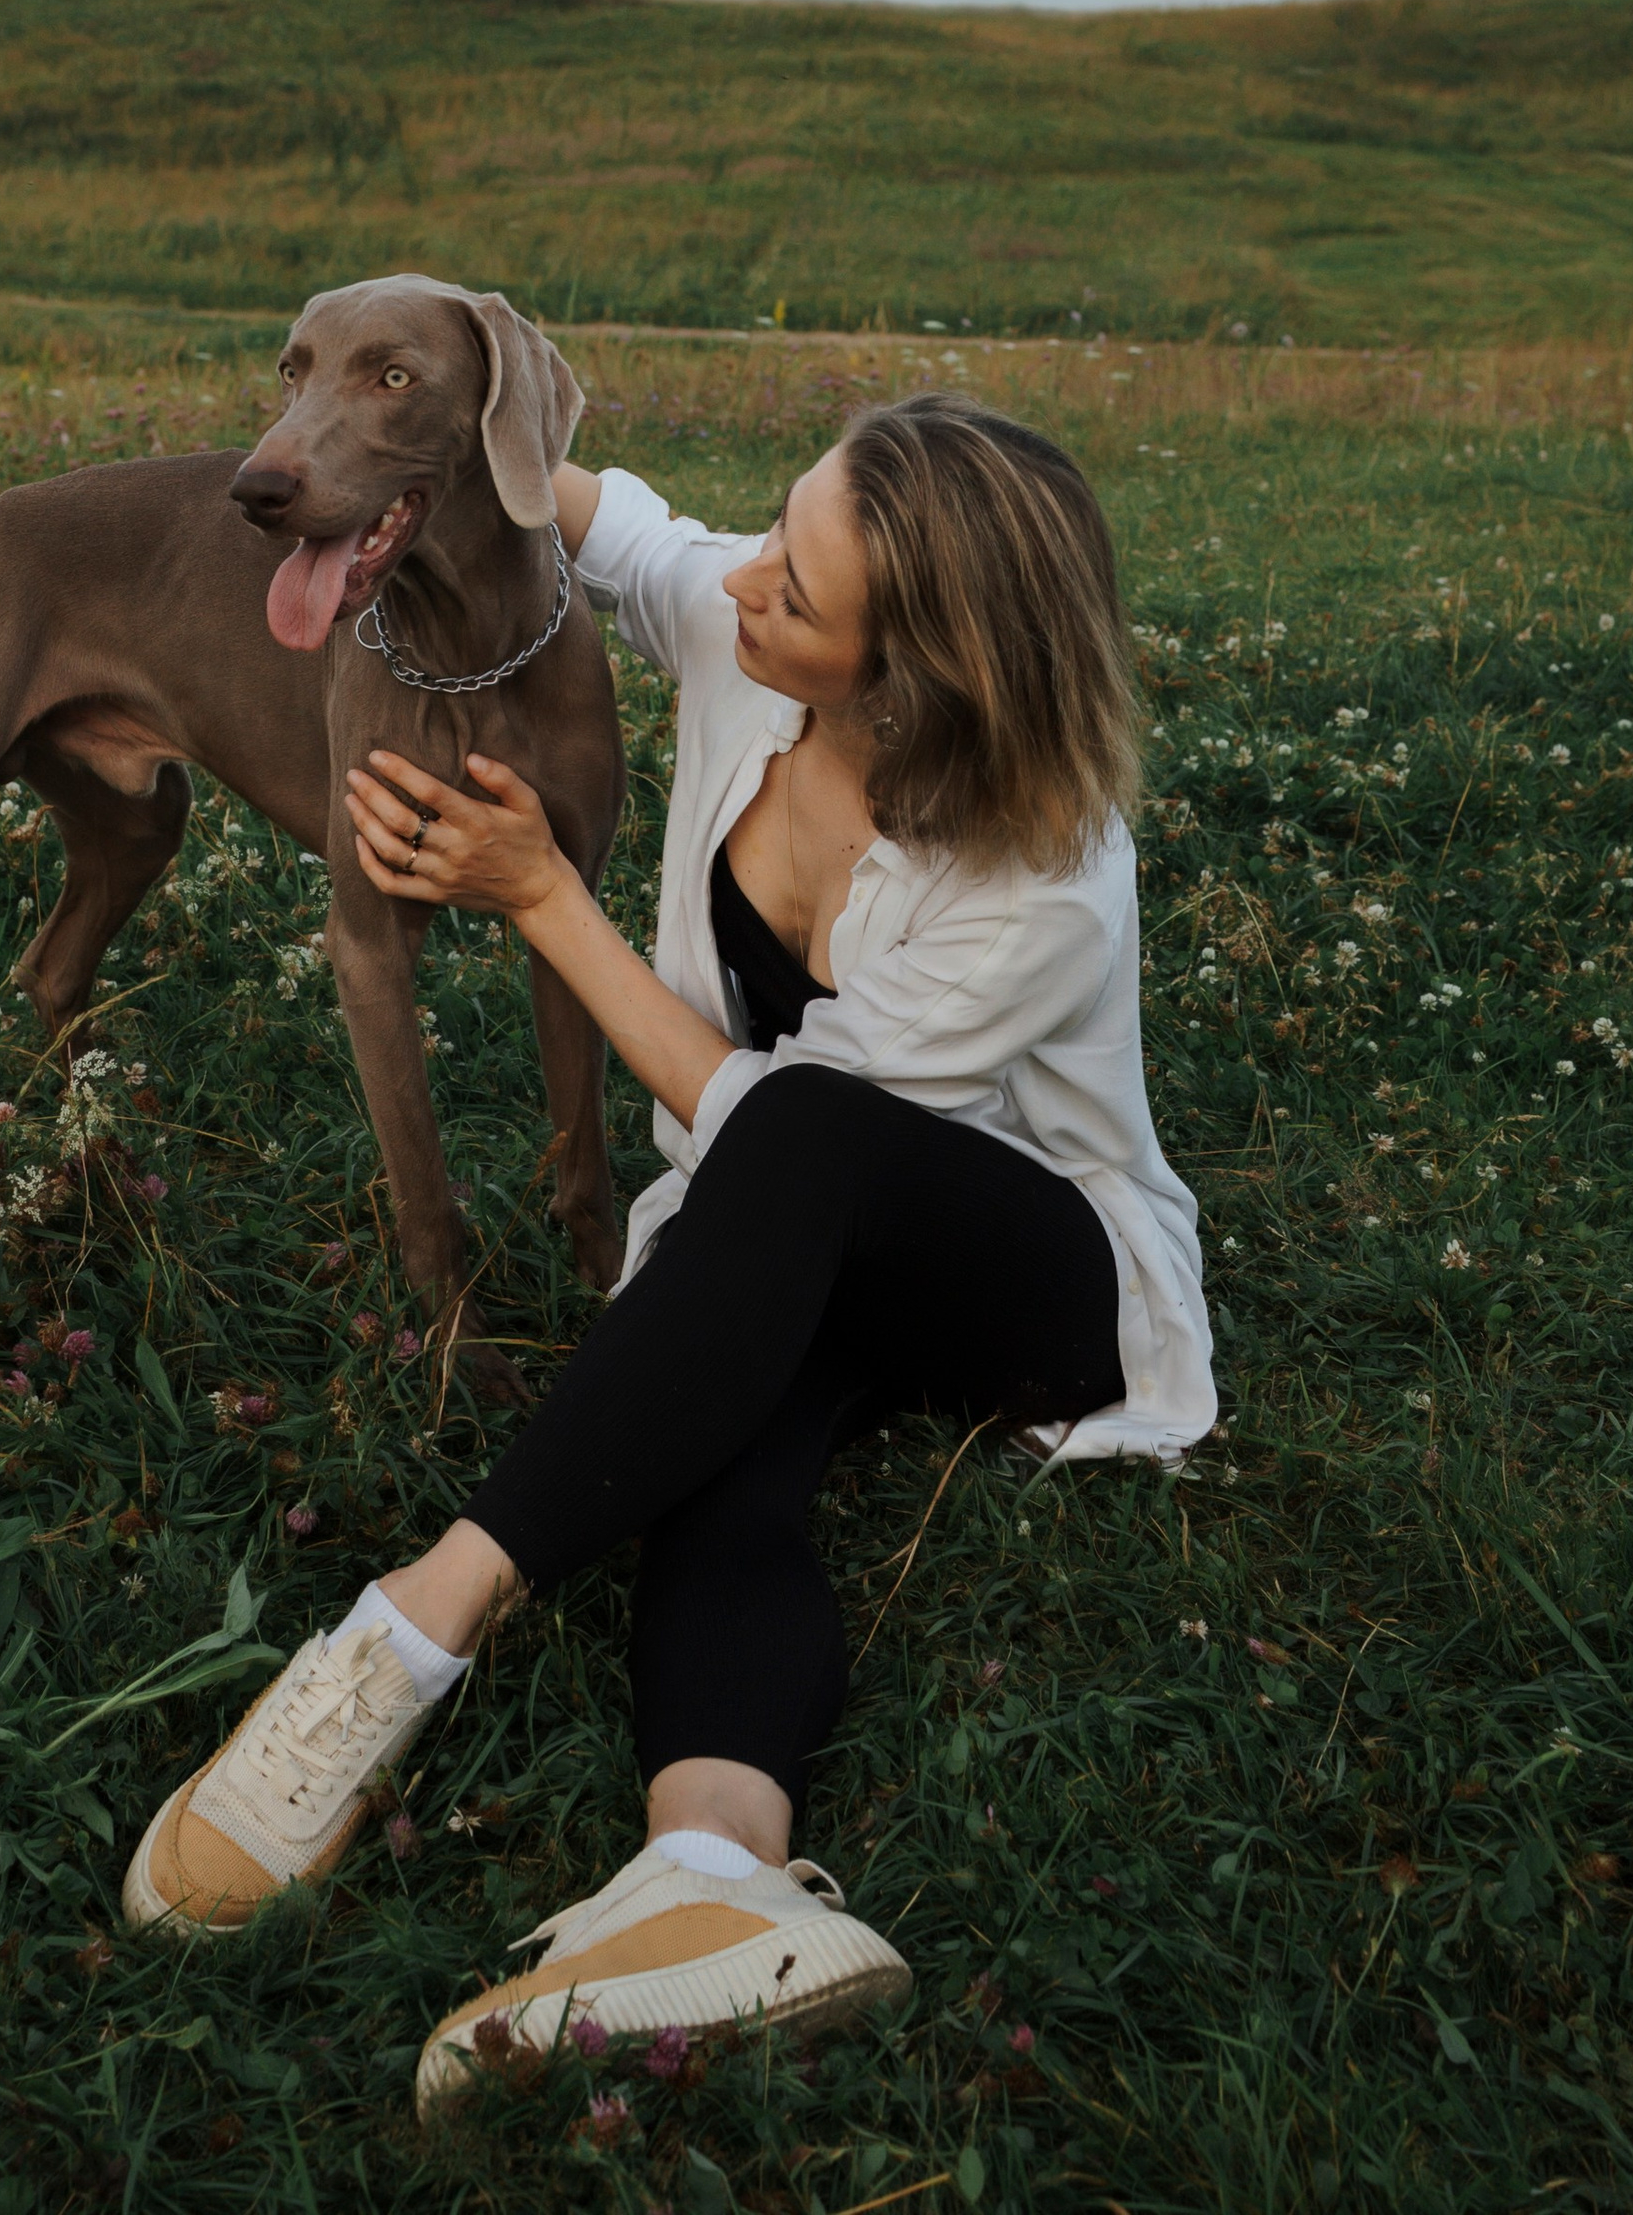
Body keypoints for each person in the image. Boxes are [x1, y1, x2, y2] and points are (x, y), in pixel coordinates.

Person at [124, 392, 1215, 2115]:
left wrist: (544, 898)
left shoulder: (1048, 878)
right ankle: (713, 1881)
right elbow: (576, 504)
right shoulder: (738, 626)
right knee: (720, 1431)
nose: (747, 582)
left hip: (1029, 1279)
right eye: (778, 529)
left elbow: (773, 1127)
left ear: (913, 676)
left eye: (801, 582)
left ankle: (405, 1635)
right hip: (785, 1235)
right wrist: (371, 453)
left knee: (796, 1150)